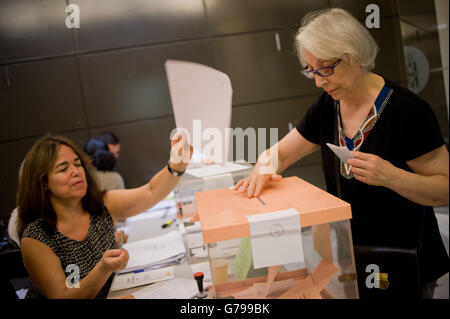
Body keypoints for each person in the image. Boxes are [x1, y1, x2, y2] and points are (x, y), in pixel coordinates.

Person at [234, 8, 449, 298]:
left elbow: (445, 189)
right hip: (352, 257)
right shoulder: (327, 106)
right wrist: (262, 168)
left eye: (326, 68)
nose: (319, 81)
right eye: (311, 70)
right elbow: (280, 155)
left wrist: (392, 177)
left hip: (404, 257)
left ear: (356, 56)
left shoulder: (407, 111)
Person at [17, 133, 192, 299]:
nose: (76, 171)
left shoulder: (100, 205)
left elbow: (150, 192)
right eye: (63, 169)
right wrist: (103, 268)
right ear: (44, 183)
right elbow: (64, 295)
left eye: (78, 164)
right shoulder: (36, 238)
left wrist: (177, 165)